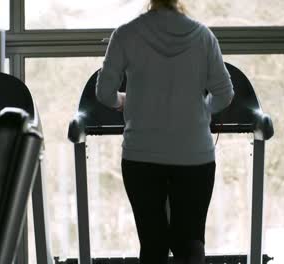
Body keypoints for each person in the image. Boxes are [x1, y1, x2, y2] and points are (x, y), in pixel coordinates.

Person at [95, 0, 234, 263]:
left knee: (152, 243)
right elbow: (224, 94)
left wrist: (121, 101)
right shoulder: (203, 36)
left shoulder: (126, 34)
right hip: (194, 155)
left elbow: (104, 93)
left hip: (141, 155)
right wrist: (203, 111)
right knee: (191, 243)